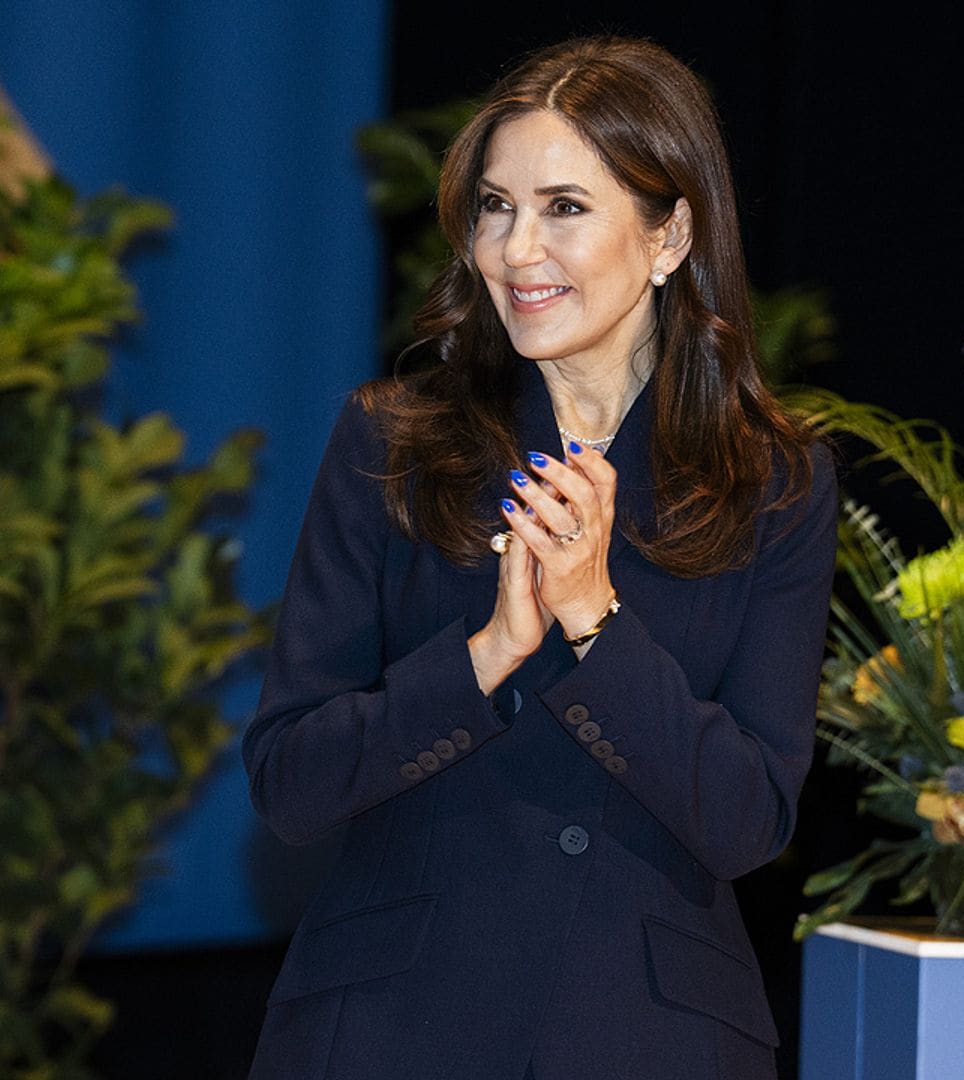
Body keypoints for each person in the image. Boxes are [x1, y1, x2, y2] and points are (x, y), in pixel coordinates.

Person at [243, 35, 837, 1080]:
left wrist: (596, 625)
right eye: (495, 206)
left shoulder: (773, 482)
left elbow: (751, 819)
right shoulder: (393, 443)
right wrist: (485, 656)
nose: (517, 251)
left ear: (669, 236)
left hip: (647, 1037)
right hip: (390, 1031)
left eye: (564, 207)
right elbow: (290, 782)